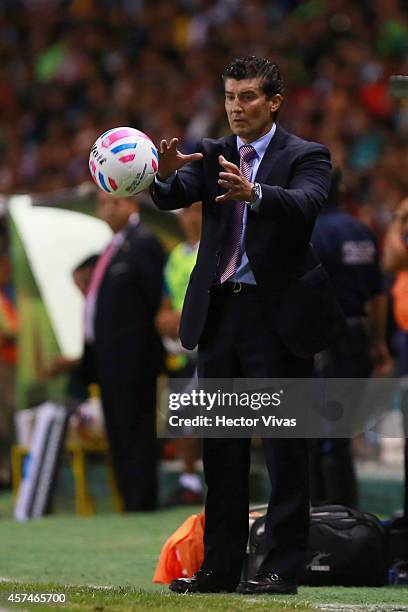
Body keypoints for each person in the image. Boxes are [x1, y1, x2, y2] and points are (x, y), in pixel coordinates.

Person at [150, 56, 340, 595]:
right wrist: (160, 175)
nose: (236, 107)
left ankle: (281, 568)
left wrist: (254, 194)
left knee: (284, 450)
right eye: (230, 97)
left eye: (248, 97)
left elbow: (305, 205)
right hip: (220, 318)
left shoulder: (307, 155)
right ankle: (218, 569)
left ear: (275, 101)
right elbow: (170, 196)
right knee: (222, 451)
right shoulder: (211, 153)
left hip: (276, 321)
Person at [310, 169, 390, 507]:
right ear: (341, 190)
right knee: (339, 435)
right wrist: (379, 341)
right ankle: (345, 517)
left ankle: (325, 519)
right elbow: (378, 295)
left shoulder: (310, 232)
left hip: (324, 344)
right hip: (359, 340)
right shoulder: (361, 230)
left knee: (319, 437)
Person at [84, 192, 165, 511]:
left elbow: (154, 301)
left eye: (114, 202)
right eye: (102, 203)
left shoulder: (143, 242)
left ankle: (142, 500)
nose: (107, 209)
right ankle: (129, 499)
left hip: (134, 360)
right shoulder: (113, 246)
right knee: (119, 429)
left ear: (132, 204)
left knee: (136, 429)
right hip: (110, 359)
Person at [155, 202, 203, 506]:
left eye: (197, 210)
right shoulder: (175, 256)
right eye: (186, 211)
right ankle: (189, 480)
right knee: (181, 411)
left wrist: (184, 317)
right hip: (181, 349)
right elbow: (165, 302)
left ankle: (195, 481)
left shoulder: (216, 249)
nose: (191, 217)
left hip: (209, 344)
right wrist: (164, 320)